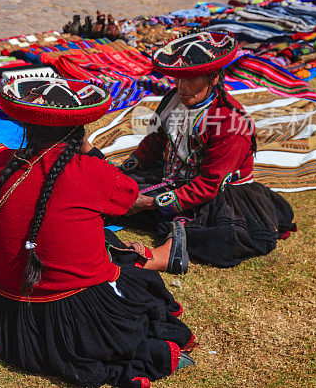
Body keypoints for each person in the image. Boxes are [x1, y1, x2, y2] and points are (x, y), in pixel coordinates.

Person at [0, 76, 196, 388]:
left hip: (11, 322)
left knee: (104, 248)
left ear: (28, 125)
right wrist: (92, 152)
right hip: (78, 316)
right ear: (78, 130)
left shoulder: (0, 164)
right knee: (130, 272)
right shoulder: (90, 170)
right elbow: (128, 192)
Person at [118, 32, 295, 271]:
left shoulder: (230, 123)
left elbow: (210, 185)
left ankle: (169, 253)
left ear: (213, 77)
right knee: (117, 192)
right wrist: (123, 171)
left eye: (191, 79)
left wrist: (148, 202)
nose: (181, 86)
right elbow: (155, 143)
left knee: (212, 227)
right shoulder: (173, 100)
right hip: (175, 177)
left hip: (220, 193)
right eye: (177, 78)